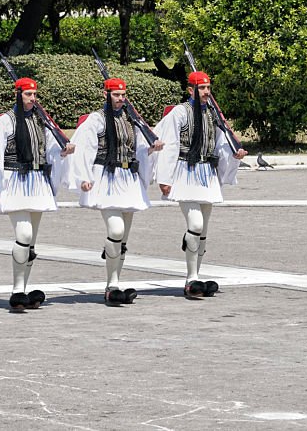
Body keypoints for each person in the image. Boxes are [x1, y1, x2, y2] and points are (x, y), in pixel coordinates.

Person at [0, 77, 74, 312]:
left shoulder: (41, 122)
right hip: (14, 182)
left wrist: (64, 152)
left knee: (31, 242)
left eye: (34, 94)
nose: (32, 98)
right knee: (24, 234)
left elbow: (51, 151)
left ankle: (23, 288)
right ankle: (16, 290)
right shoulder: (6, 122)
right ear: (18, 94)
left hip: (37, 182)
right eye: (28, 94)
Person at [69, 77, 164, 305]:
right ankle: (111, 284)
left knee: (123, 238)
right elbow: (84, 147)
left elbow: (138, 150)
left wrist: (151, 150)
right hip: (106, 178)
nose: (120, 99)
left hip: (128, 179)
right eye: (116, 95)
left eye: (123, 95)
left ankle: (114, 284)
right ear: (106, 95)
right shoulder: (97, 119)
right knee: (116, 229)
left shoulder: (132, 120)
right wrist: (84, 177)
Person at [154, 71, 247, 299]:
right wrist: (164, 179)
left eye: (208, 88)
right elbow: (170, 144)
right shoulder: (180, 112)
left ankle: (196, 274)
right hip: (186, 172)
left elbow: (220, 144)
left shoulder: (212, 114)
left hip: (207, 174)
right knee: (195, 224)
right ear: (190, 90)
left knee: (203, 229)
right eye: (202, 88)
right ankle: (190, 279)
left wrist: (234, 154)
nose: (206, 92)